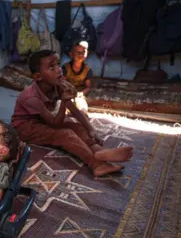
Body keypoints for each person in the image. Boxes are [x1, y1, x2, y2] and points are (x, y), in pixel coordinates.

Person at [11, 50, 133, 178]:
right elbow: (54, 123)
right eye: (51, 67)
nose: (58, 69)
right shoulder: (30, 97)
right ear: (38, 77)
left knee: (75, 126)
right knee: (64, 135)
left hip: (43, 120)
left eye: (58, 64)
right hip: (26, 128)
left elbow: (74, 110)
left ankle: (97, 150)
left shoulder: (57, 85)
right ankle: (96, 164)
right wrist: (64, 102)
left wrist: (91, 130)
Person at [63, 41, 93, 113]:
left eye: (83, 52)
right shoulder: (65, 68)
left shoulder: (88, 70)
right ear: (71, 54)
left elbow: (88, 87)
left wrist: (81, 94)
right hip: (67, 92)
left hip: (79, 93)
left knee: (82, 110)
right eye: (77, 52)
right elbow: (62, 83)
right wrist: (68, 92)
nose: (80, 55)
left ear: (87, 53)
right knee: (63, 108)